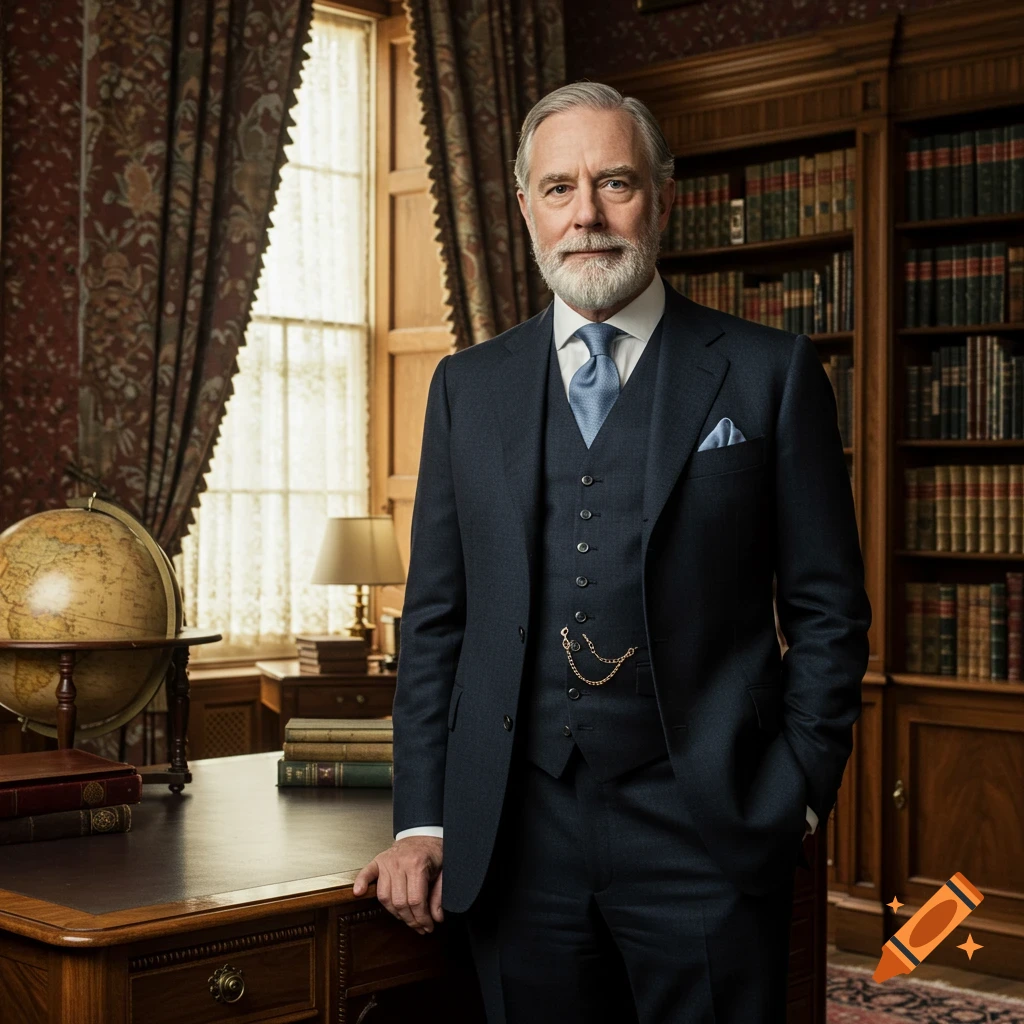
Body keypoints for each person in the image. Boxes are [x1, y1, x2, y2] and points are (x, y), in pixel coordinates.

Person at [352, 81, 872, 1022]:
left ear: (662, 198)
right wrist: (424, 819)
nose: (585, 214)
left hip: (708, 827)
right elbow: (437, 621)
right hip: (516, 835)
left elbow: (829, 611)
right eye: (558, 189)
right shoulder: (468, 388)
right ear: (524, 210)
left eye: (614, 183)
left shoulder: (769, 373)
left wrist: (795, 792)